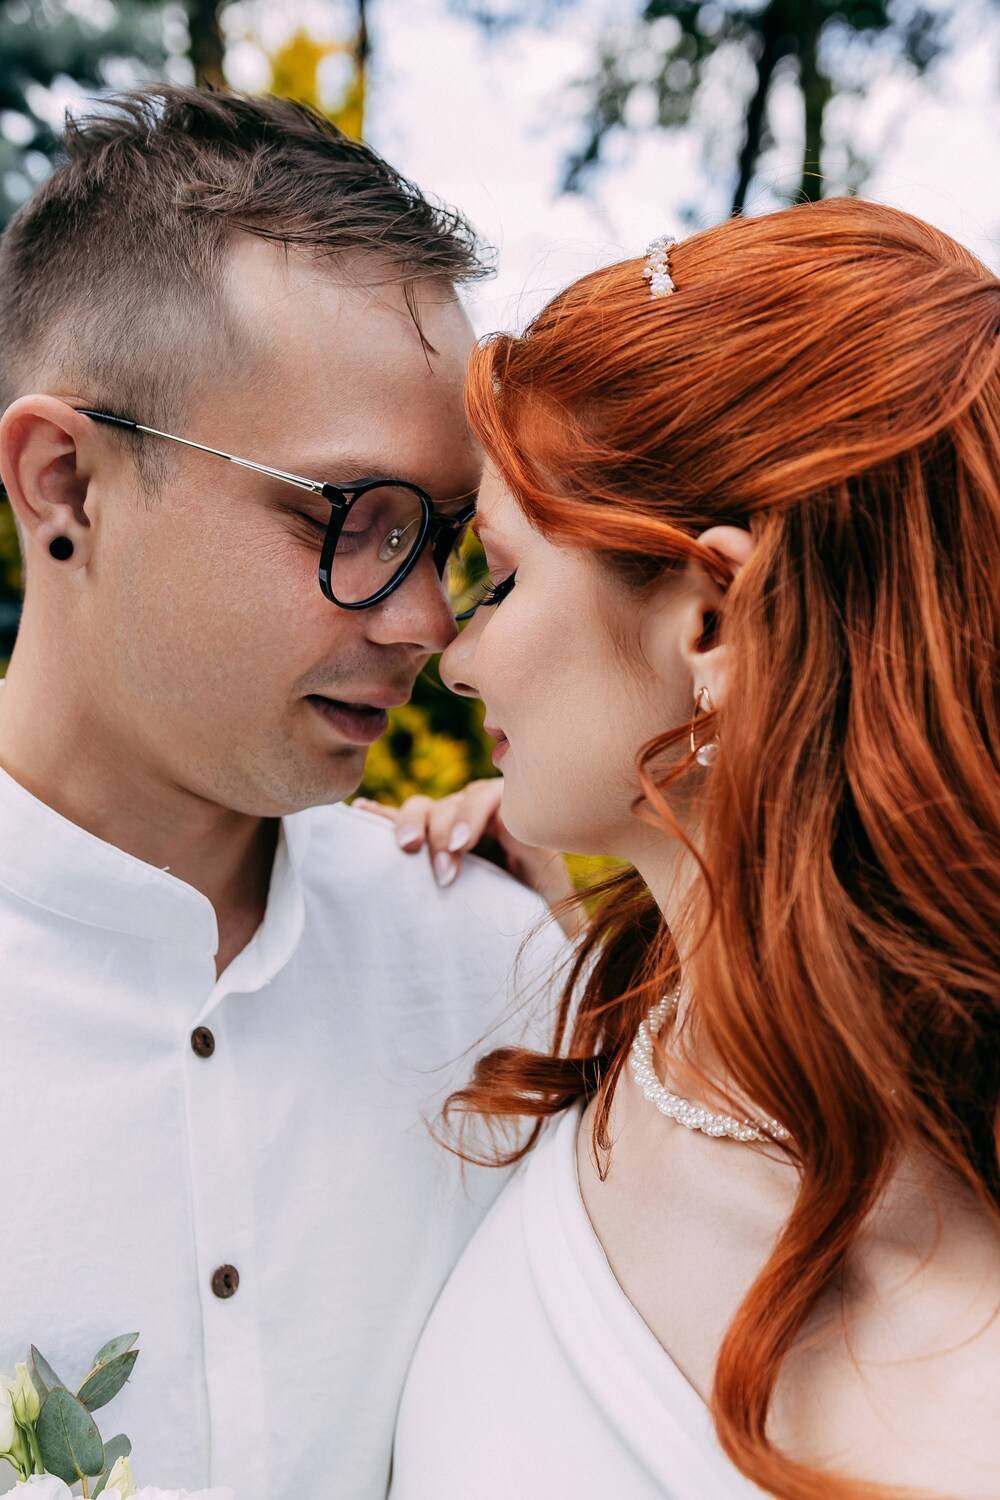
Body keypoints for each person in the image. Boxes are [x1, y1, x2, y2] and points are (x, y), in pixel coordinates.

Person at [0, 87, 569, 1499]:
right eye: (351, 517)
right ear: (66, 485)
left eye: (440, 535)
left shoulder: (503, 978)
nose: (425, 622)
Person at [385, 201, 1000, 1498]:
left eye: (501, 576)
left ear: (713, 622)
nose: (454, 656)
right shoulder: (634, 1018)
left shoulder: (946, 1391)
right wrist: (570, 922)